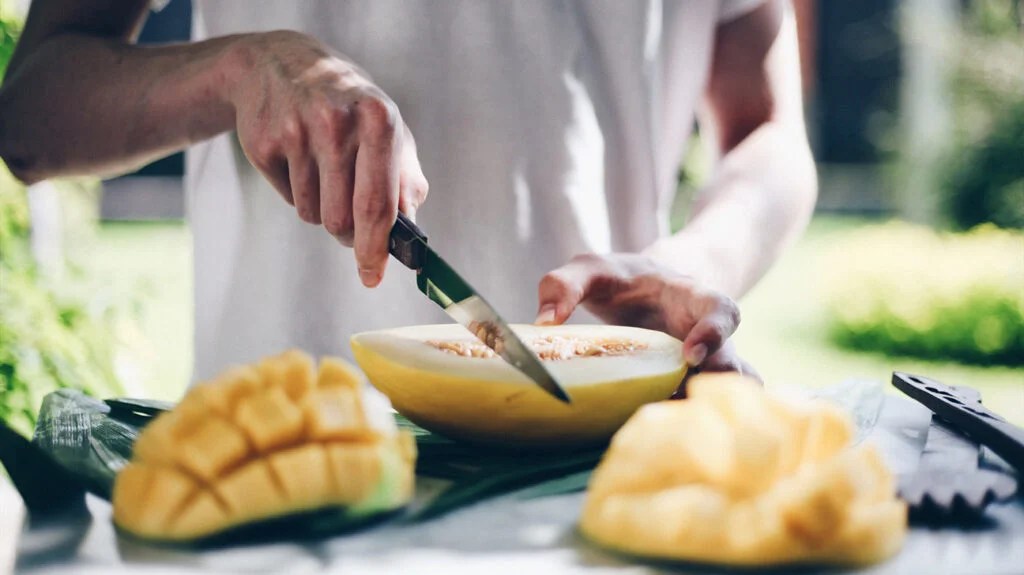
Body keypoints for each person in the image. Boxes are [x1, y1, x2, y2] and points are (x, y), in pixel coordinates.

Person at [0, 0, 816, 384]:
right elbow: (32, 111)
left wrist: (701, 257)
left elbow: (768, 132)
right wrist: (235, 67)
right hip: (278, 486)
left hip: (594, 473)